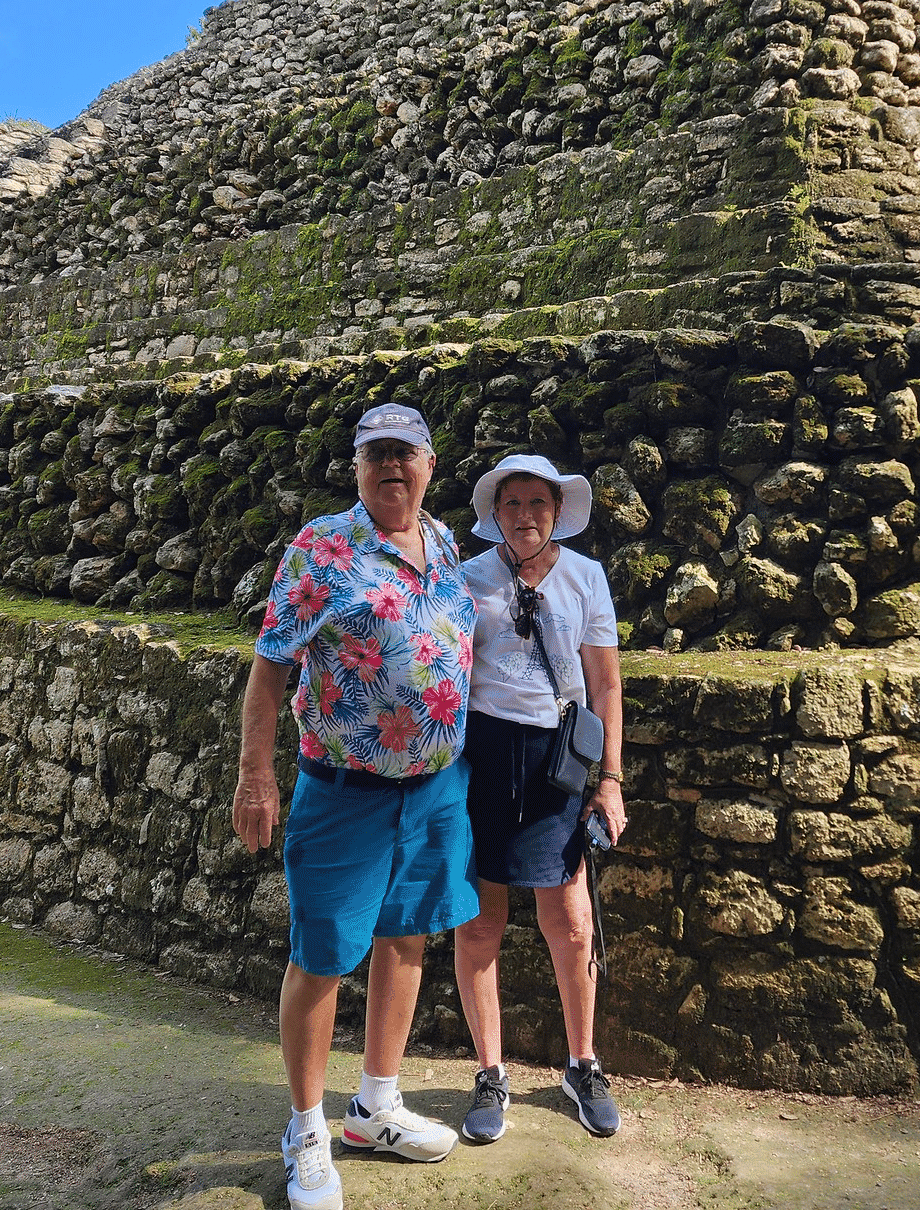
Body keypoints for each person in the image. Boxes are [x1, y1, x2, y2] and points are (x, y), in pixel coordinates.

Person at [231, 403, 477, 1210]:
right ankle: (307, 1129)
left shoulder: (442, 542)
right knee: (324, 956)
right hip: (346, 792)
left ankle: (374, 1107)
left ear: (431, 465)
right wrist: (255, 776)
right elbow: (270, 670)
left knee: (407, 938)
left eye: (405, 454)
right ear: (358, 467)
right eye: (377, 455)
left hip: (434, 787)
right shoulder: (323, 547)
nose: (391, 468)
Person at [451, 453, 628, 1144]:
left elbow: (606, 686)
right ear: (495, 513)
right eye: (512, 503)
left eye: (538, 503)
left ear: (558, 512)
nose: (525, 516)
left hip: (558, 760)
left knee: (572, 920)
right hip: (481, 756)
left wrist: (608, 780)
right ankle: (490, 1072)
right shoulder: (468, 579)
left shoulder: (586, 577)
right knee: (480, 922)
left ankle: (582, 1064)